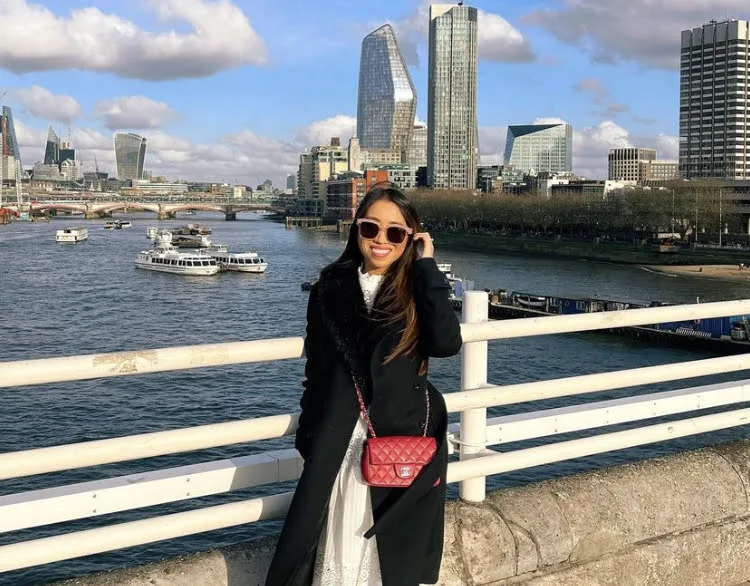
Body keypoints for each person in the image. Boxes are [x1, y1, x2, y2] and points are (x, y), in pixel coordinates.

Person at [266, 185, 463, 586]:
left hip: (398, 439)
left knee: (391, 553)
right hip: (340, 438)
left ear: (410, 238)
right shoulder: (329, 288)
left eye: (396, 232)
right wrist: (310, 434)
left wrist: (427, 267)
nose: (380, 240)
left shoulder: (416, 289)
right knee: (334, 539)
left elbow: (446, 342)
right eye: (371, 228)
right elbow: (317, 368)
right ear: (356, 229)